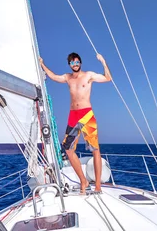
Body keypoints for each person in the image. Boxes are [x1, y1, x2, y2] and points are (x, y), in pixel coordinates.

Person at [39, 52, 112, 193]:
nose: (75, 64)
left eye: (77, 62)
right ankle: (83, 181)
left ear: (80, 63)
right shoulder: (67, 78)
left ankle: (97, 186)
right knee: (68, 149)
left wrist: (103, 62)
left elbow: (108, 78)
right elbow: (53, 76)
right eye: (72, 63)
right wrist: (42, 64)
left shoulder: (89, 75)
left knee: (95, 150)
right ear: (69, 64)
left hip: (87, 115)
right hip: (73, 116)